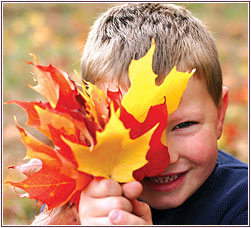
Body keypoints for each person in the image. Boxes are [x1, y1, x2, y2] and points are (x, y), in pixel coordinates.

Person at [32, 3, 248, 225]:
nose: (166, 159)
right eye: (134, 132)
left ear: (219, 116)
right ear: (91, 126)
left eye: (184, 125)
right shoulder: (79, 195)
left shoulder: (242, 201)